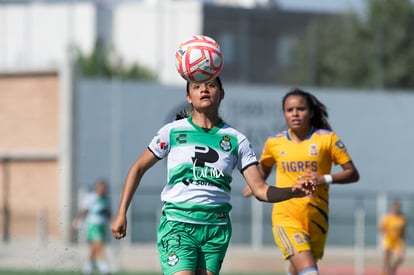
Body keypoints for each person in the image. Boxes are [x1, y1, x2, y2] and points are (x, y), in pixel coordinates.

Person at [111, 77, 315, 275]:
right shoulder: (172, 132)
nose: (204, 89)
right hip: (178, 225)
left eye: (210, 85)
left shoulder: (237, 140)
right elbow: (137, 168)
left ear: (222, 94)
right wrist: (122, 213)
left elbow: (260, 190)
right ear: (189, 97)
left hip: (216, 229)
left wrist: (293, 191)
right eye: (197, 86)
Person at [243, 88, 360, 275]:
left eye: (301, 109)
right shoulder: (275, 142)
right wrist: (256, 183)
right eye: (289, 110)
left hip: (317, 219)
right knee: (310, 271)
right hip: (286, 218)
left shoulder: (327, 139)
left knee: (298, 269)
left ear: (311, 112)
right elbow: (264, 168)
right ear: (284, 114)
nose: (295, 113)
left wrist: (324, 178)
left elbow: (352, 173)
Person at [73, 180, 112, 275]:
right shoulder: (91, 198)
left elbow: (108, 213)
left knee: (94, 248)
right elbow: (84, 211)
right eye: (101, 188)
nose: (102, 190)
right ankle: (104, 269)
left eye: (104, 188)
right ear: (97, 188)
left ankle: (87, 269)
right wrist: (76, 222)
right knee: (99, 246)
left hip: (102, 226)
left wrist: (112, 224)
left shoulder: (107, 199)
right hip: (92, 226)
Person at [379, 199, 407, 275]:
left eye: (397, 207)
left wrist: (403, 236)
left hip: (398, 241)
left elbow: (403, 229)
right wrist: (387, 230)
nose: (396, 208)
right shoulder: (387, 217)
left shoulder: (402, 218)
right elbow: (381, 228)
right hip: (389, 240)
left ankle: (392, 269)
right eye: (394, 207)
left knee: (400, 258)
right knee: (386, 257)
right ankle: (384, 272)